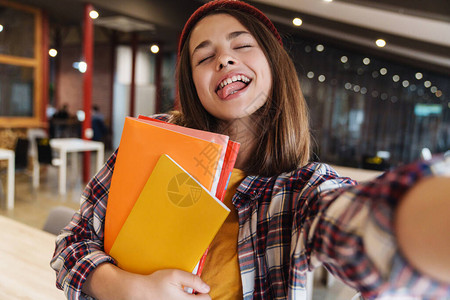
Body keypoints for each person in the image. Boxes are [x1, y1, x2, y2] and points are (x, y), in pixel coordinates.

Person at [51, 1, 450, 299]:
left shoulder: (301, 189)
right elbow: (73, 241)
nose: (223, 58)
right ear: (193, 83)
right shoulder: (153, 142)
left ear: (273, 63)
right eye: (204, 57)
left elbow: (361, 223)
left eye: (241, 45)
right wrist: (124, 287)